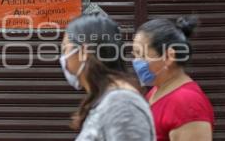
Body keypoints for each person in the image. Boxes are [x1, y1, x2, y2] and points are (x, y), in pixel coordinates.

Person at [59, 13, 156, 141]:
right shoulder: (108, 99)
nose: (63, 58)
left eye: (65, 49)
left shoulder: (122, 104)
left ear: (84, 52)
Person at [131, 16, 214, 141]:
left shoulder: (188, 104)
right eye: (134, 55)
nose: (136, 62)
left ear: (169, 57)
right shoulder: (156, 91)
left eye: (141, 55)